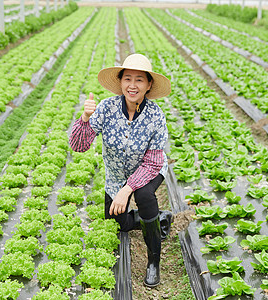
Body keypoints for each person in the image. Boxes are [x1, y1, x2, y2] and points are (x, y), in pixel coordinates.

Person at [69, 53, 173, 288]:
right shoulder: (107, 108)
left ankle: (153, 262)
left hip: (148, 171)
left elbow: (154, 162)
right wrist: (85, 118)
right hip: (117, 176)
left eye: (139, 80)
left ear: (148, 85)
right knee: (119, 223)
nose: (132, 85)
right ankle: (159, 219)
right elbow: (79, 146)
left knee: (144, 196)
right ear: (121, 82)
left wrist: (127, 190)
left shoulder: (156, 115)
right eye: (128, 79)